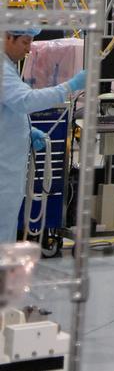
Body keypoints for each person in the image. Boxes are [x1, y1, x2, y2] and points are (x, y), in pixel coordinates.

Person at [1, 29, 87, 243]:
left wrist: (27, 130)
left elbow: (8, 107)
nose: (29, 48)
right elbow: (25, 101)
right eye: (25, 42)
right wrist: (70, 86)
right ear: (7, 37)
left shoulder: (8, 67)